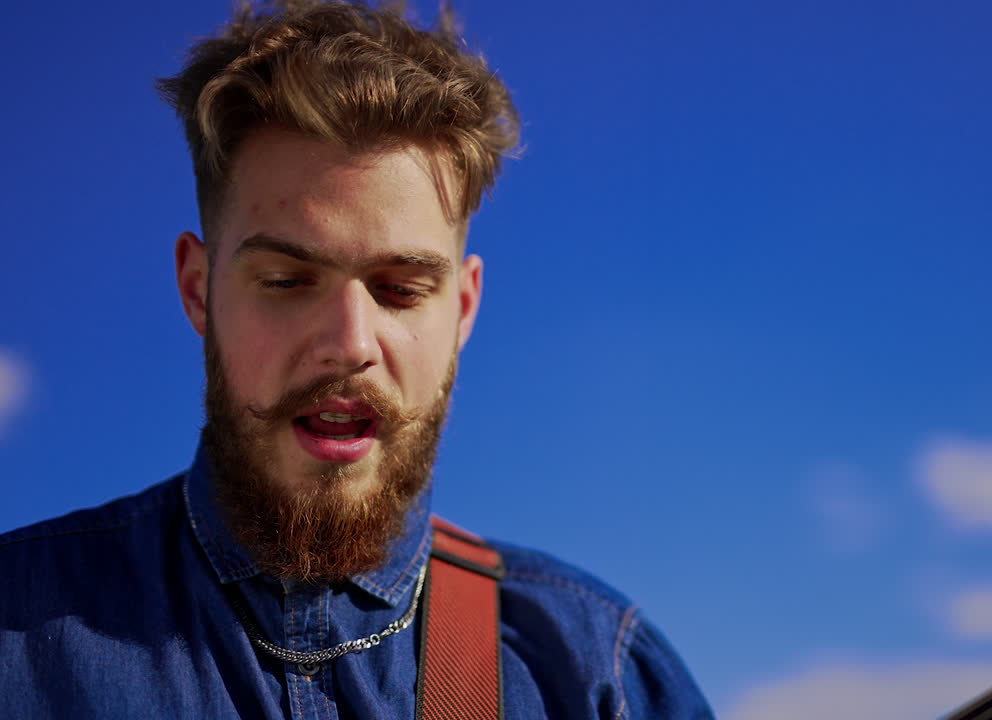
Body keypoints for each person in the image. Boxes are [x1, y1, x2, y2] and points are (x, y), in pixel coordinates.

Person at [0, 2, 712, 718]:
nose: (350, 343)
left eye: (400, 290)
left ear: (462, 308)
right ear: (198, 290)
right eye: (286, 282)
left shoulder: (597, 677)